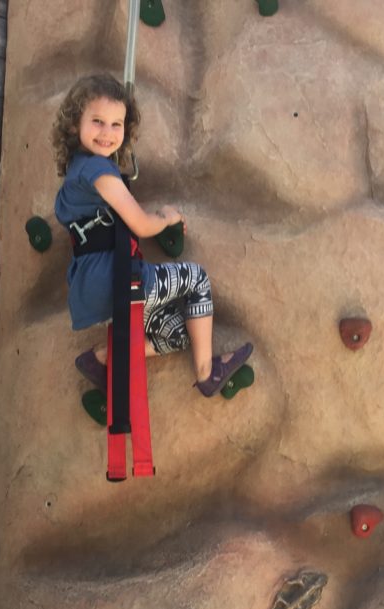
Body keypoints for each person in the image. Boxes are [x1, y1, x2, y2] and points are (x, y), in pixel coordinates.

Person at [51, 74, 252, 397]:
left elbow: (111, 216)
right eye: (98, 121)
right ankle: (207, 374)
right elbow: (142, 224)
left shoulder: (76, 171)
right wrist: (167, 216)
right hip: (116, 280)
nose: (107, 133)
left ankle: (100, 360)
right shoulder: (97, 171)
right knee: (196, 279)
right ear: (75, 124)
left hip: (91, 288)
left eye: (117, 125)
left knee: (183, 331)